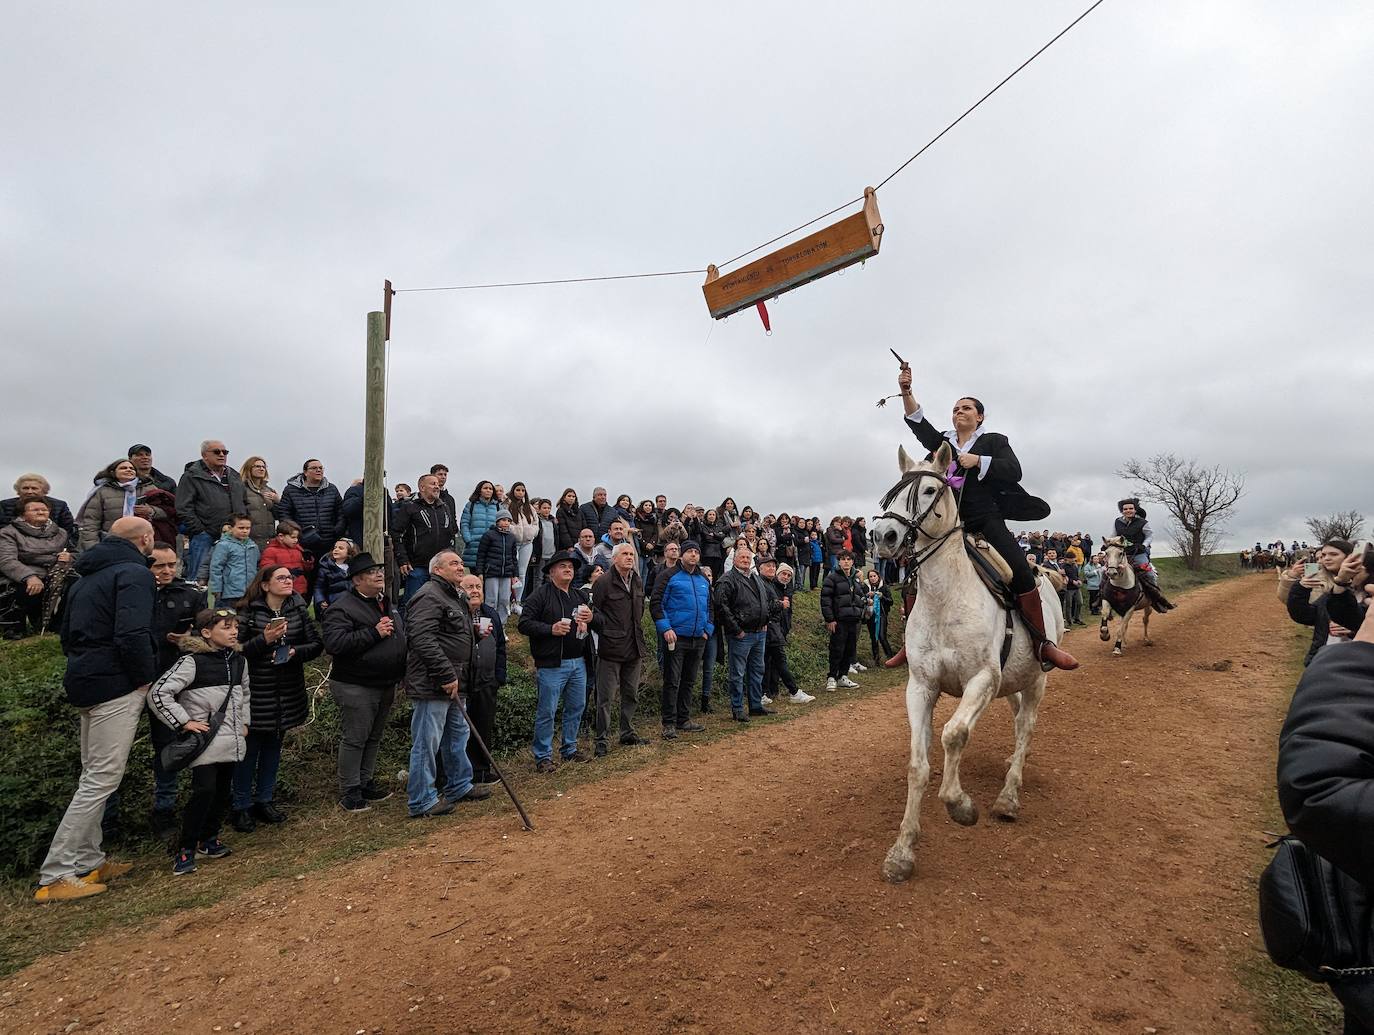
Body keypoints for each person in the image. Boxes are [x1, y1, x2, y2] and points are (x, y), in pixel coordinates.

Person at [896, 367, 1078, 671]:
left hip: (986, 520)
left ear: (980, 416)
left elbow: (1014, 471)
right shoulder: (944, 443)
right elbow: (918, 423)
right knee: (916, 575)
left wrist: (979, 460)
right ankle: (909, 644)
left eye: (966, 408)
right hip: (947, 527)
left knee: (1020, 571)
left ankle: (1043, 644)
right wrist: (906, 391)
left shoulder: (994, 441)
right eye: (955, 409)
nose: (959, 412)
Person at [33, 516, 155, 903]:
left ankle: (88, 859)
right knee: (101, 778)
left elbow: (65, 633)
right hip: (116, 681)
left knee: (94, 773)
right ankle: (56, 873)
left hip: (84, 674)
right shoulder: (134, 573)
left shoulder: (85, 575)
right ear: (145, 540)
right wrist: (143, 677)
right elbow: (132, 633)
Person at [1276, 589, 1374, 1033]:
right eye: (1123, 509)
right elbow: (1302, 609)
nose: (1125, 511)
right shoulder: (1335, 583)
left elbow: (1319, 791)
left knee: (1140, 566)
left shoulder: (1136, 520)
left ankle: (1045, 642)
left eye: (1129, 509)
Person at [147, 607, 249, 876]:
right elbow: (159, 693)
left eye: (234, 626)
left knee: (222, 791)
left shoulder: (239, 661)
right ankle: (186, 848)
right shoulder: (191, 662)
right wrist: (183, 722)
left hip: (232, 739)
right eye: (225, 627)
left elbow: (246, 693)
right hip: (205, 741)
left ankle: (209, 839)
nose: (233, 631)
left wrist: (245, 722)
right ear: (206, 633)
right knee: (204, 791)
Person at [230, 565, 323, 832]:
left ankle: (265, 800)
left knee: (273, 747)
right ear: (265, 585)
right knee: (248, 751)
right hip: (256, 689)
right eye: (281, 578)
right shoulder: (248, 612)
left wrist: (295, 652)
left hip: (288, 689)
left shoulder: (297, 608)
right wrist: (264, 639)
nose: (288, 581)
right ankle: (241, 806)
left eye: (290, 577)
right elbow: (236, 651)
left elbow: (316, 644)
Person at [403, 550, 492, 818]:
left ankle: (459, 785)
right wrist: (445, 674)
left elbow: (449, 635)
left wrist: (473, 635)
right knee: (427, 742)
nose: (460, 566)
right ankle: (421, 800)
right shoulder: (429, 595)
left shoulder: (455, 596)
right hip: (435, 683)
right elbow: (421, 638)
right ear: (437, 570)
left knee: (457, 737)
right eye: (453, 563)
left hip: (457, 681)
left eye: (461, 562)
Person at [321, 552, 406, 811]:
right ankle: (350, 790)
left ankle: (366, 781)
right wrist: (373, 633)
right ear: (356, 580)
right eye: (372, 572)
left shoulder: (385, 603)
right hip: (356, 684)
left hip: (385, 682)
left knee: (374, 737)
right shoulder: (342, 607)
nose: (379, 575)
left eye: (379, 571)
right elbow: (335, 644)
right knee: (356, 738)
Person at [146, 541, 206, 837]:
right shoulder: (136, 591)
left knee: (169, 745)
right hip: (137, 678)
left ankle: (165, 809)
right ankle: (109, 820)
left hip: (176, 679)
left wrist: (188, 639)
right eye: (160, 565)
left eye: (172, 564)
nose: (167, 570)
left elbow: (205, 631)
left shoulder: (190, 594)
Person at [518, 550, 593, 771]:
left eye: (570, 566)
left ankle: (569, 749)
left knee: (576, 707)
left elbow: (597, 620)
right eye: (563, 566)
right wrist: (550, 629)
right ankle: (543, 757)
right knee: (547, 711)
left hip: (578, 661)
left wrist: (590, 620)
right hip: (552, 664)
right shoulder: (540, 595)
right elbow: (523, 624)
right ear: (551, 572)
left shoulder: (579, 595)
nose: (568, 569)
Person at [589, 542, 649, 756]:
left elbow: (639, 613)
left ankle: (627, 732)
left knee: (631, 693)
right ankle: (601, 740)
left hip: (634, 646)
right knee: (605, 697)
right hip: (611, 647)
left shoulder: (638, 581)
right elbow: (595, 615)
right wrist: (610, 630)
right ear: (614, 558)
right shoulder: (603, 582)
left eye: (632, 553)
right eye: (624, 553)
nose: (630, 557)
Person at [651, 541, 713, 735]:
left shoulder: (703, 578)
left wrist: (707, 630)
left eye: (696, 552)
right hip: (675, 638)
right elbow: (656, 604)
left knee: (689, 680)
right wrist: (665, 628)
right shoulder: (667, 575)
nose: (693, 555)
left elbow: (711, 607)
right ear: (681, 555)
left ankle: (683, 719)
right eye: (689, 552)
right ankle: (668, 723)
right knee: (672, 681)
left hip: (698, 638)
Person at [715, 544, 778, 722]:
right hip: (741, 635)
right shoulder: (727, 580)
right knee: (738, 673)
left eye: (748, 558)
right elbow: (721, 607)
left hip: (759, 633)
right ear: (734, 559)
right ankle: (737, 708)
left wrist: (765, 622)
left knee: (758, 670)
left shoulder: (755, 578)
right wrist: (737, 630)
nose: (745, 560)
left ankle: (755, 705)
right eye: (742, 557)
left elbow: (765, 601)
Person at [177, 439, 247, 586]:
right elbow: (183, 507)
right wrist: (200, 530)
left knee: (232, 580)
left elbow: (244, 502)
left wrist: (241, 524)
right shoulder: (191, 476)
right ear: (204, 455)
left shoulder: (234, 475)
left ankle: (226, 609)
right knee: (198, 581)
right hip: (205, 536)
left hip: (233, 535)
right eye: (216, 452)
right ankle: (197, 608)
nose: (222, 455)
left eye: (225, 452)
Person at [0, 497, 72, 639]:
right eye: (35, 510)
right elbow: (6, 560)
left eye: (44, 509)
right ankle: (14, 628)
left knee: (77, 583)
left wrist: (70, 557)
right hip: (23, 574)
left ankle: (58, 625)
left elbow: (74, 552)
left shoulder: (61, 533)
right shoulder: (8, 533)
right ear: (22, 514)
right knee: (22, 587)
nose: (41, 512)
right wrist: (29, 576)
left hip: (55, 572)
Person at [459, 574, 507, 785]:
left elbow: (500, 648)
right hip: (463, 682)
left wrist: (499, 676)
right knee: (460, 731)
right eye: (469, 587)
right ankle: (458, 774)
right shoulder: (458, 612)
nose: (475, 590)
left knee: (483, 725)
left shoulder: (490, 613)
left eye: (478, 586)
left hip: (487, 681)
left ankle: (481, 770)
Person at [1279, 539, 1355, 665]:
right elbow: (1305, 614)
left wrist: (1354, 627)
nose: (1325, 559)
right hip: (1325, 652)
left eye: (1333, 554)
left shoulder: (1363, 583)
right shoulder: (1315, 575)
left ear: (1349, 557)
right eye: (1323, 555)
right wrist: (1297, 584)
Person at [279, 460, 344, 597]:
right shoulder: (291, 490)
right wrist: (297, 533)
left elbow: (340, 512)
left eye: (321, 468)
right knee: (304, 581)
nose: (319, 470)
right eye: (314, 468)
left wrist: (337, 529)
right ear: (305, 472)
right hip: (303, 544)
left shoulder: (331, 489)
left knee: (327, 580)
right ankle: (302, 613)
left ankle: (325, 613)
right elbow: (284, 513)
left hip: (328, 542)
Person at [394, 473, 457, 602]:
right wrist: (403, 559)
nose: (437, 487)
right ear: (422, 487)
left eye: (438, 484)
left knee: (441, 604)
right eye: (433, 484)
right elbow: (397, 533)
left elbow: (451, 534)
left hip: (441, 569)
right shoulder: (410, 507)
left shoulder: (444, 507)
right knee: (412, 603)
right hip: (417, 566)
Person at [762, 557, 812, 705]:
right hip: (771, 629)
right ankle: (793, 691)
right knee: (776, 661)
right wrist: (780, 604)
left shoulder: (785, 588)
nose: (786, 577)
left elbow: (787, 613)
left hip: (778, 630)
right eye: (783, 573)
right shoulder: (767, 585)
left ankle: (767, 692)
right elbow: (768, 607)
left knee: (771, 661)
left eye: (789, 575)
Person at [821, 550, 865, 692]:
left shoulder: (856, 579)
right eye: (843, 559)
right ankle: (832, 677)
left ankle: (843, 676)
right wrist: (830, 619)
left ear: (852, 561)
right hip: (839, 621)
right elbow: (825, 600)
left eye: (848, 559)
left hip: (853, 620)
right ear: (839, 561)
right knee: (837, 649)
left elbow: (859, 597)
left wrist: (860, 611)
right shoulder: (831, 578)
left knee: (849, 649)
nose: (846, 562)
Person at [76, 458, 142, 552]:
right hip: (110, 543)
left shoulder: (148, 488)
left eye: (132, 468)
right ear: (113, 472)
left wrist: (152, 511)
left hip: (141, 543)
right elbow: (91, 522)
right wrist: (93, 548)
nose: (129, 470)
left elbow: (166, 511)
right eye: (123, 468)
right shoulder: (102, 491)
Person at [2, 473, 79, 550]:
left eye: (34, 488)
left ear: (44, 491)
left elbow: (69, 530)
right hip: (13, 546)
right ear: (18, 491)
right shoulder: (5, 505)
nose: (29, 491)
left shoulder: (59, 505)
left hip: (52, 547)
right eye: (25, 488)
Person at [475, 508, 520, 620]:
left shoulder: (512, 538)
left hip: (507, 574)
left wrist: (515, 574)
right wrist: (480, 572)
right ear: (497, 521)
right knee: (491, 599)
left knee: (505, 600)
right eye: (503, 520)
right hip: (491, 573)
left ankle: (501, 625)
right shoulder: (488, 535)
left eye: (508, 520)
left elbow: (514, 557)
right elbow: (481, 555)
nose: (506, 523)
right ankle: (489, 624)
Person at [209, 513, 259, 608]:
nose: (245, 531)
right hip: (229, 593)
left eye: (247, 528)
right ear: (231, 528)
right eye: (241, 528)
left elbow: (256, 566)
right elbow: (216, 568)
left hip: (249, 593)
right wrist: (216, 589)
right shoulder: (223, 545)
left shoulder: (253, 546)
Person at [507, 482, 539, 614]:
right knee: (510, 572)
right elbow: (505, 522)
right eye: (518, 490)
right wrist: (514, 531)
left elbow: (536, 523)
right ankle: (508, 601)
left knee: (522, 573)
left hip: (527, 543)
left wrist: (531, 532)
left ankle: (517, 602)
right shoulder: (506, 505)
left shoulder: (529, 508)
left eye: (523, 490)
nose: (520, 493)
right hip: (512, 543)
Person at [238, 456, 281, 550]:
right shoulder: (241, 489)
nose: (261, 469)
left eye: (263, 467)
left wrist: (278, 501)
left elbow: (278, 516)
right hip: (248, 540)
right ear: (249, 468)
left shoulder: (270, 490)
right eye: (257, 466)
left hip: (269, 541)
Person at [259, 519, 311, 597]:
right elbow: (267, 570)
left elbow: (306, 570)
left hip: (300, 589)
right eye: (293, 537)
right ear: (281, 536)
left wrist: (307, 561)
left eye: (297, 537)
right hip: (281, 590)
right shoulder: (270, 551)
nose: (296, 540)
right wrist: (288, 572)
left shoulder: (298, 549)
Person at [1114, 499, 1157, 586]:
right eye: (1125, 509)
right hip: (1122, 554)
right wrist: (1107, 545)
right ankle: (1102, 596)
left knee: (1149, 575)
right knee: (1107, 572)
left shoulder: (1142, 522)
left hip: (1138, 553)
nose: (1128, 510)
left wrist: (1144, 545)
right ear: (1122, 511)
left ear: (1135, 510)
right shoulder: (1117, 522)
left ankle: (1156, 597)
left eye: (1131, 508)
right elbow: (1113, 535)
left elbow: (1150, 535)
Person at [459, 480, 500, 569]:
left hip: (492, 547)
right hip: (474, 546)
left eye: (490, 489)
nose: (488, 490)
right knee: (475, 579)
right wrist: (468, 539)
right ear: (479, 490)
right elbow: (464, 523)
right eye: (485, 488)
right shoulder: (471, 505)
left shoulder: (498, 506)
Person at [314, 538, 357, 613]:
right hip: (333, 601)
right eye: (335, 547)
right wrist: (320, 600)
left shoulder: (354, 567)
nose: (336, 550)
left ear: (349, 552)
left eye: (341, 548)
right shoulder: (325, 568)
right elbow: (319, 587)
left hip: (352, 600)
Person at [865, 568, 895, 666]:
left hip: (881, 615)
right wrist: (867, 597)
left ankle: (890, 656)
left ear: (878, 576)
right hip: (870, 615)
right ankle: (876, 659)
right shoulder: (866, 587)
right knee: (874, 637)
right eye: (870, 577)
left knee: (882, 636)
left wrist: (882, 597)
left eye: (874, 576)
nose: (873, 578)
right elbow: (861, 598)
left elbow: (891, 602)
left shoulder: (884, 587)